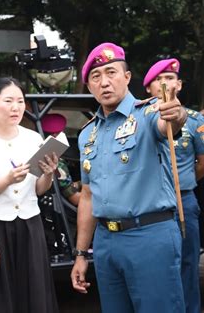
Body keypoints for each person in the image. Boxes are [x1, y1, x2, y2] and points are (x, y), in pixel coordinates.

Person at [70, 42, 188, 312]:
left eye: (111, 72)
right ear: (89, 87)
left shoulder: (148, 113)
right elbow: (88, 197)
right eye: (96, 77)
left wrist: (176, 113)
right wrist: (80, 254)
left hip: (149, 236)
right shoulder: (88, 134)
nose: (104, 82)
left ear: (127, 77)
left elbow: (169, 121)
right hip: (106, 243)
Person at [0, 77, 59, 313]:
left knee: (33, 293)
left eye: (20, 101)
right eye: (8, 100)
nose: (16, 107)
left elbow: (38, 190)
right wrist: (7, 180)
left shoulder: (33, 139)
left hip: (30, 225)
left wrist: (49, 174)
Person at [143, 58, 204, 313]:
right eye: (158, 80)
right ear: (148, 88)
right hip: (149, 206)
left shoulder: (195, 120)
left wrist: (182, 181)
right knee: (153, 268)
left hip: (183, 201)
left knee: (186, 264)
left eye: (170, 78)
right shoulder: (136, 122)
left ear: (179, 84)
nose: (165, 83)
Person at [41, 113, 82, 206]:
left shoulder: (39, 155)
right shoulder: (56, 162)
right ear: (56, 136)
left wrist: (81, 183)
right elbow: (77, 200)